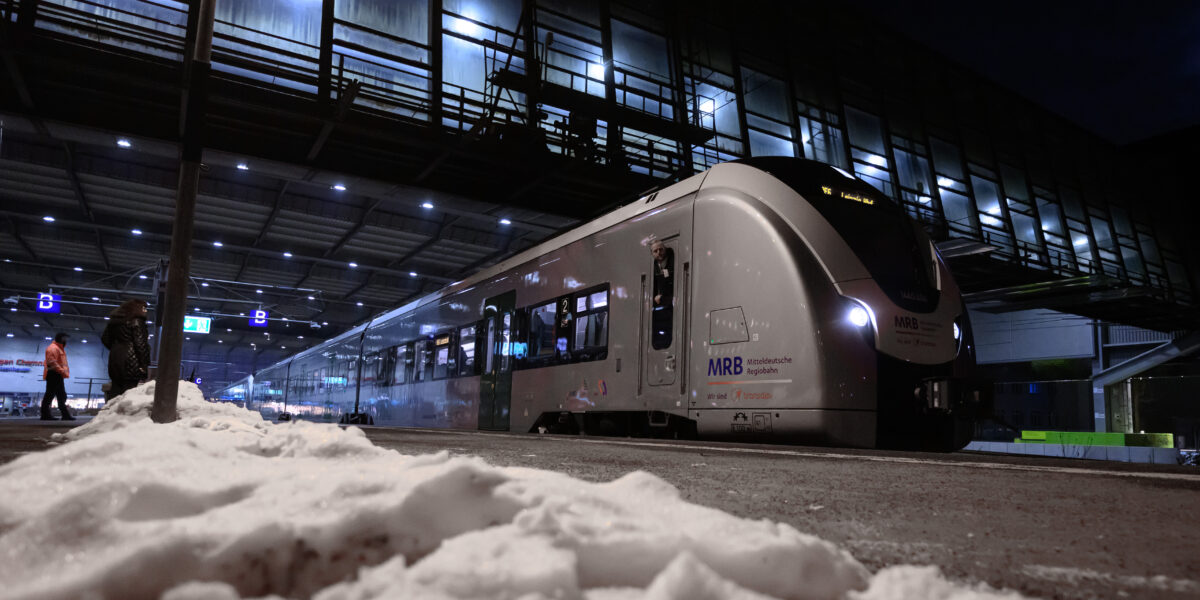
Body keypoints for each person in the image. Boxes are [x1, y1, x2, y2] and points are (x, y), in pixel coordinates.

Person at [101, 298, 151, 400]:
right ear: (136, 308)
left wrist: (116, 348)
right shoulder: (137, 320)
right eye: (144, 308)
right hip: (132, 361)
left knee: (115, 391)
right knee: (128, 393)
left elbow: (105, 339)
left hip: (115, 358)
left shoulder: (114, 322)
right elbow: (140, 344)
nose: (145, 311)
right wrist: (144, 364)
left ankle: (111, 413)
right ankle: (123, 414)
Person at [41, 332, 74, 420]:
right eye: (65, 338)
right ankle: (45, 415)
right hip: (54, 374)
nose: (66, 340)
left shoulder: (59, 348)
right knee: (50, 395)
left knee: (61, 395)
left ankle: (65, 415)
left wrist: (61, 372)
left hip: (57, 374)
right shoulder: (53, 348)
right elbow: (51, 362)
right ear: (61, 338)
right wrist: (61, 370)